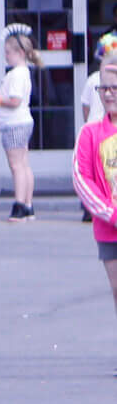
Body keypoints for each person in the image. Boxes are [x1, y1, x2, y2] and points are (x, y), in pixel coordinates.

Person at [75, 41, 117, 327]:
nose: (109, 94)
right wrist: (110, 214)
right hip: (109, 228)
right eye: (104, 88)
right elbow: (81, 179)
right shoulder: (91, 133)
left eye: (115, 87)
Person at [0, 28, 37, 220]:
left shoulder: (16, 74)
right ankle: (28, 205)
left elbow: (14, 101)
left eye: (8, 52)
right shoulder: (22, 73)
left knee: (17, 166)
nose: (6, 56)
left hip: (14, 125)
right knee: (24, 164)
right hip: (20, 122)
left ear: (20, 53)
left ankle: (19, 206)